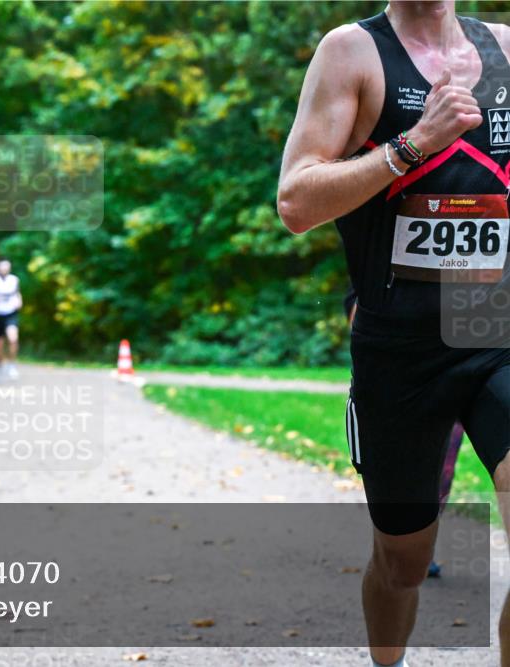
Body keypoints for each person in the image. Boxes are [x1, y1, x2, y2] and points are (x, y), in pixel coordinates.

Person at [278, 3, 510, 666]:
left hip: (496, 328)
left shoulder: (505, 50)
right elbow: (296, 202)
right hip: (402, 348)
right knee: (402, 563)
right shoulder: (352, 53)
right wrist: (414, 144)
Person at [345, 285, 466, 578]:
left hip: (464, 353)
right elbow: (357, 307)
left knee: (445, 458)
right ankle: (399, 544)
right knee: (403, 465)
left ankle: (423, 543)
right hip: (401, 361)